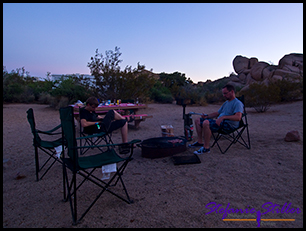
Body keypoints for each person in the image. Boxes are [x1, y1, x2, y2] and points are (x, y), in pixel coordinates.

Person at [189, 84, 244, 154]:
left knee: (206, 123)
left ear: (232, 92)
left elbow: (238, 117)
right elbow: (217, 113)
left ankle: (206, 148)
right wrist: (207, 116)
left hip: (228, 125)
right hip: (220, 122)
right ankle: (200, 142)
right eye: (223, 93)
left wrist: (223, 117)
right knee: (198, 120)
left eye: (225, 93)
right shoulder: (226, 103)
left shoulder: (237, 103)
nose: (224, 95)